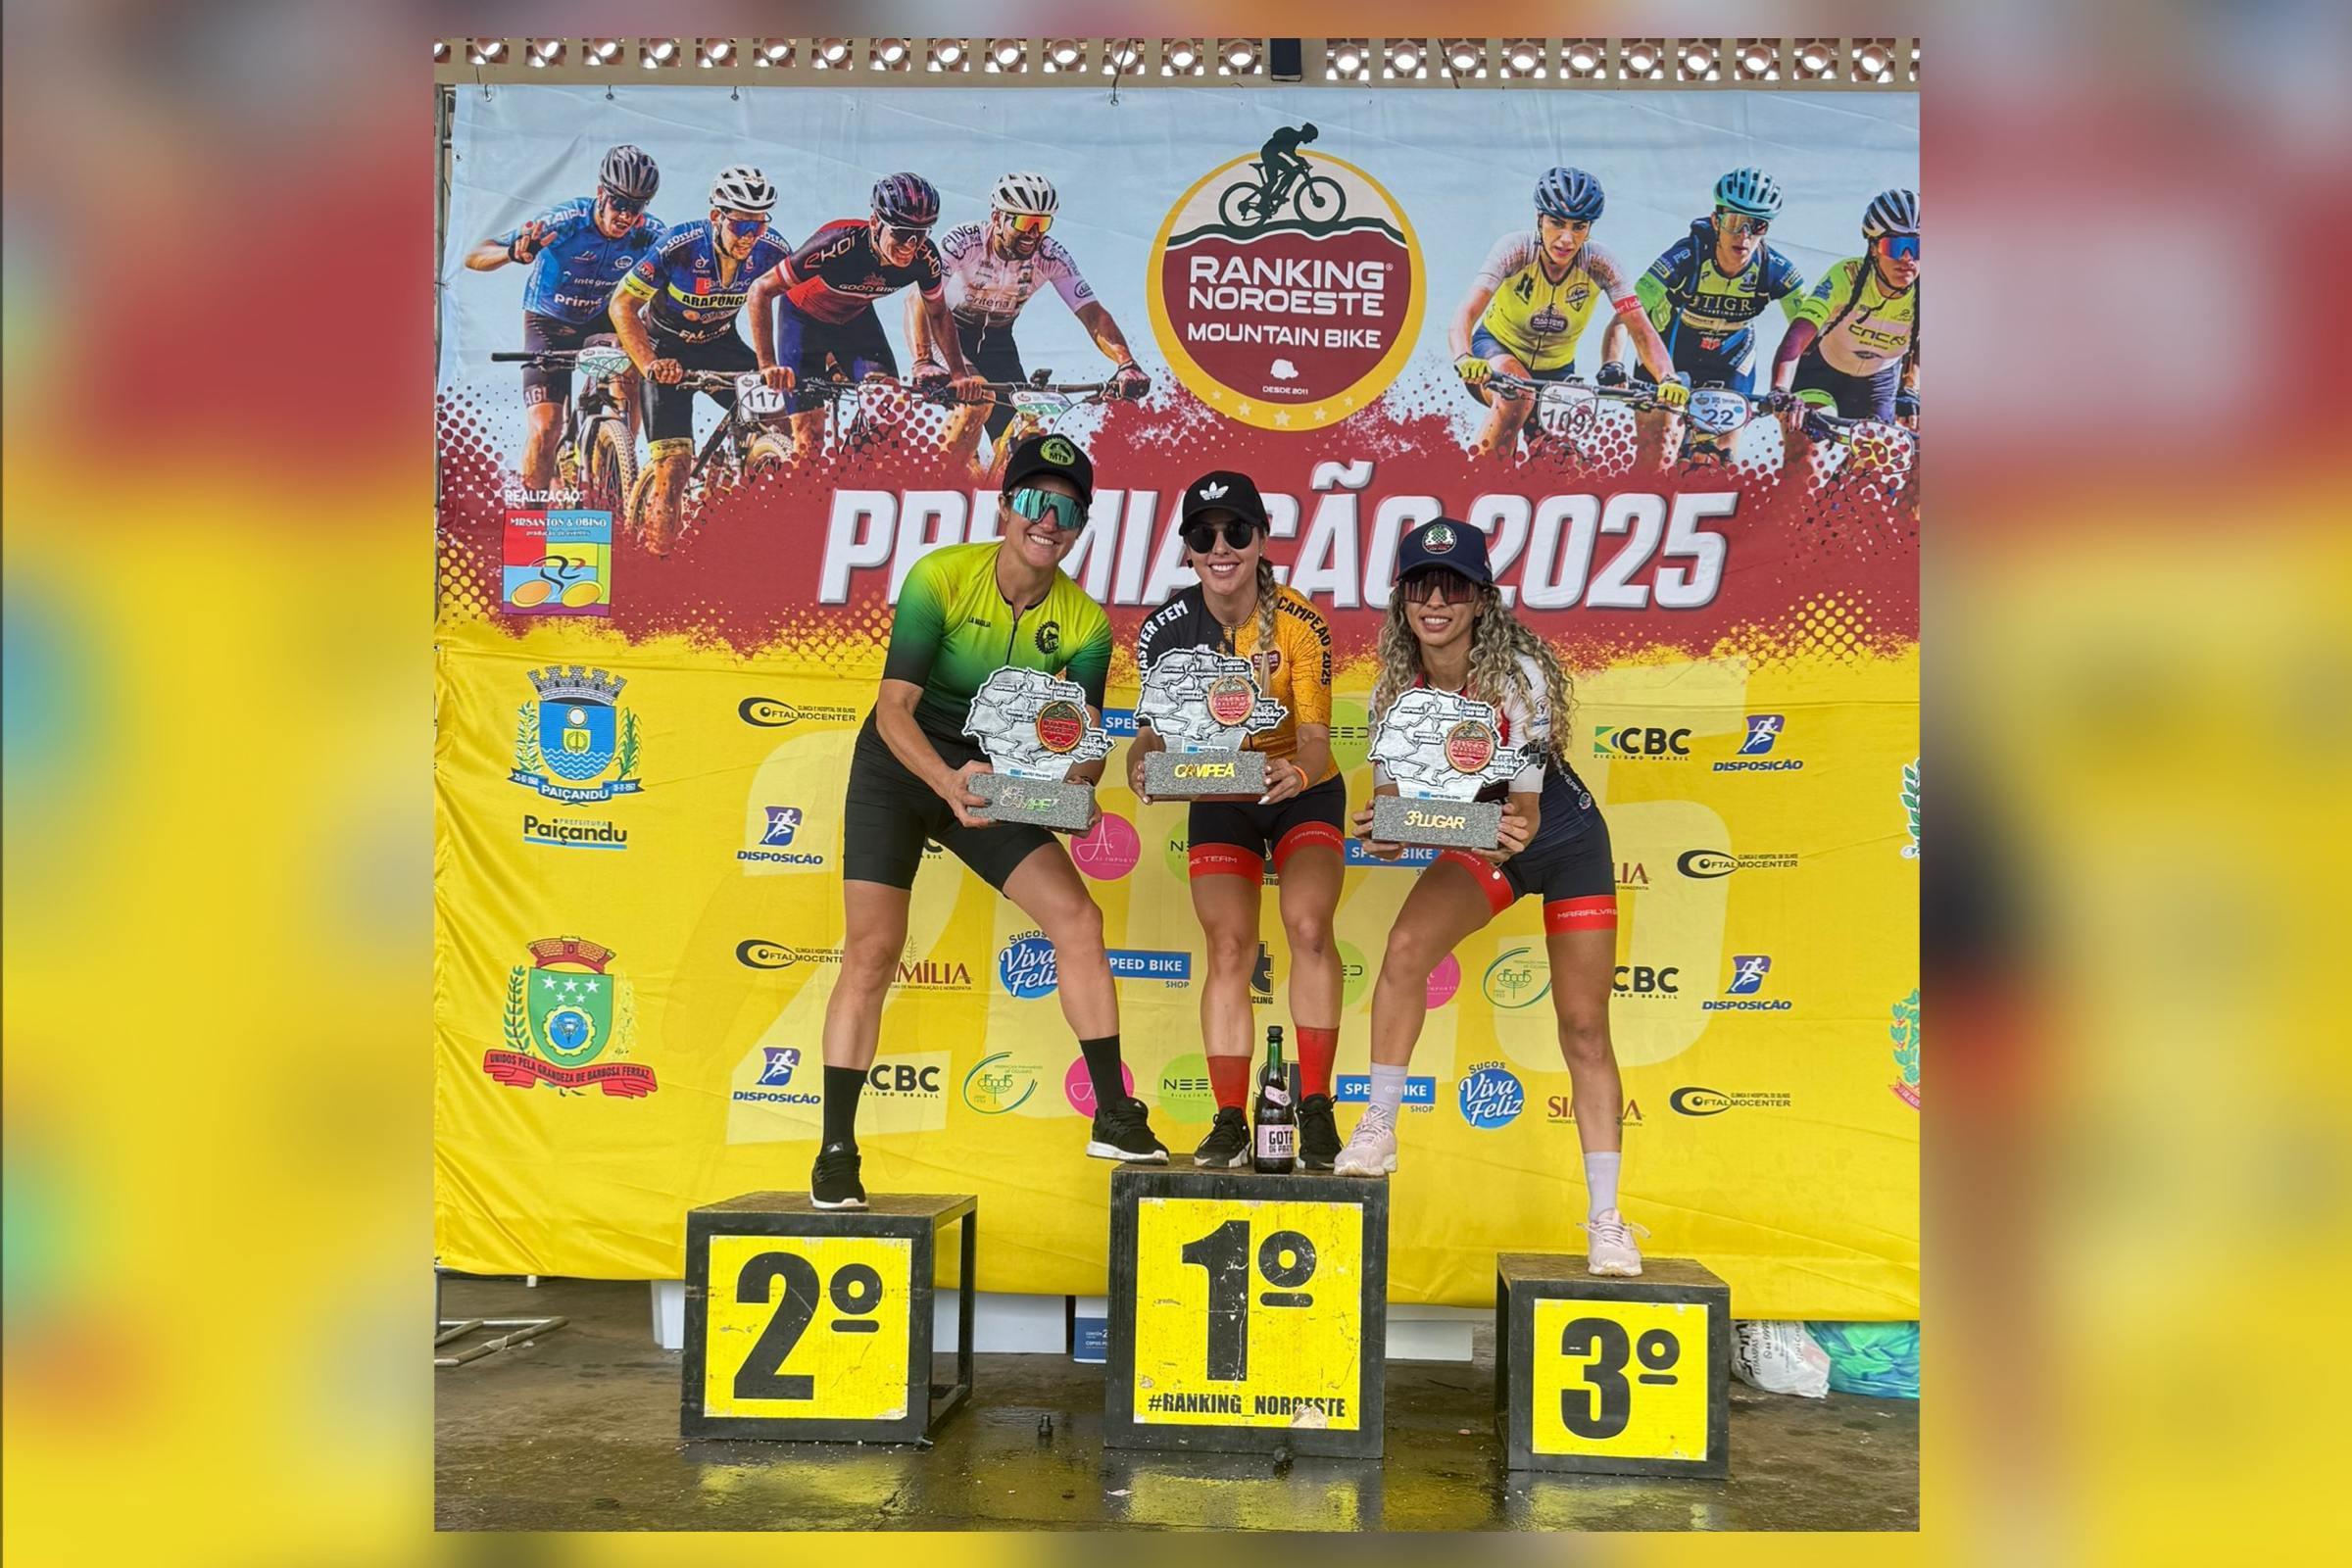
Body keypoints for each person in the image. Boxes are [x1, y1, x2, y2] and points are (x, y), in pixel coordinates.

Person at [812, 434, 1169, 1208]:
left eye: (1068, 510)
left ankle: (1113, 1113)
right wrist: (945, 781)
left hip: (993, 783)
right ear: (1006, 507)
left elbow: (1081, 745)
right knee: (871, 953)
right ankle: (836, 1153)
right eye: (1036, 502)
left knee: (1078, 919)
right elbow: (893, 709)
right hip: (901, 768)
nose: (1050, 522)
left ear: (1081, 526)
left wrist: (1073, 790)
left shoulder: (1086, 623)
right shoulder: (939, 576)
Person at [1339, 519, 1645, 1277]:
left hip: (1561, 840)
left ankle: (1607, 1221)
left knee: (1583, 1028)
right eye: (1421, 585)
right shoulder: (1391, 691)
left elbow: (1523, 819)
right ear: (1402, 598)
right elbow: (1395, 811)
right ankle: (1379, 1127)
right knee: (1404, 950)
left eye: (1454, 587)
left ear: (1481, 600)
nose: (1436, 602)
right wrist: (1384, 832)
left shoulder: (1519, 677)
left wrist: (1419, 825)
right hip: (1484, 836)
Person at [1124, 472, 1345, 1171]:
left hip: (1300, 788)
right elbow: (1150, 734)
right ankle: (1228, 1119)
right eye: (1204, 534)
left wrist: (1297, 774)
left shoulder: (1301, 623)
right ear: (1187, 549)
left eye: (1236, 532)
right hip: (1219, 788)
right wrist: (1141, 764)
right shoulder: (1165, 628)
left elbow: (1316, 742)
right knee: (1227, 947)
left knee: (1309, 928)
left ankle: (1316, 1108)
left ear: (1260, 541)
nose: (1221, 548)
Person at [912, 172, 1152, 483]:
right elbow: (919, 300)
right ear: (997, 218)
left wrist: (1126, 364)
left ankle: (997, 491)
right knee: (977, 402)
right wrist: (923, 361)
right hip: (947, 335)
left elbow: (1092, 314)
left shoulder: (1051, 256)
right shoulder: (965, 242)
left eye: (1043, 223)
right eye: (1026, 222)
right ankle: (933, 486)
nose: (1034, 234)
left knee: (1025, 433)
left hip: (998, 342)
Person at [1447, 167, 1688, 465]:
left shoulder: (1601, 262)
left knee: (1562, 462)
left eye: (1579, 227)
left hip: (1556, 371)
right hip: (1496, 351)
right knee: (1517, 393)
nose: (1566, 240)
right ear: (1539, 218)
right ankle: (1482, 479)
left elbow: (1641, 330)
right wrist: (1464, 357)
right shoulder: (1515, 249)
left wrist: (1668, 378)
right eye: (1556, 223)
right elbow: (1466, 312)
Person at [611, 165, 792, 555]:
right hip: (666, 352)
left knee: (782, 419)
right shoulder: (680, 246)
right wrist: (649, 364)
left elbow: (801, 306)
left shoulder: (772, 249)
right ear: (716, 217)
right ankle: (657, 562)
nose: (750, 237)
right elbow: (622, 305)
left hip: (720, 344)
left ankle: (750, 499)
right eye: (740, 226)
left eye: (758, 226)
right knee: (675, 468)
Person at [464, 145, 664, 492]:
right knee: (545, 430)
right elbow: (474, 256)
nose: (625, 215)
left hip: (602, 323)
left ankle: (617, 465)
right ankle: (534, 511)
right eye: (619, 203)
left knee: (630, 367)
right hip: (549, 324)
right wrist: (512, 253)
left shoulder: (650, 233)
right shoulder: (566, 221)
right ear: (600, 193)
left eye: (636, 207)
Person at [747, 172, 980, 469]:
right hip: (803, 323)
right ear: (875, 223)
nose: (911, 244)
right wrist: (767, 364)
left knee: (888, 410)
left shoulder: (926, 258)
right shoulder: (837, 243)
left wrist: (958, 373)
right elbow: (760, 290)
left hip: (854, 322)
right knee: (809, 444)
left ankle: (850, 473)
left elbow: (938, 313)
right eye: (901, 232)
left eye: (921, 233)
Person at [1598, 167, 1807, 399]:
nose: (1744, 235)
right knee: (1664, 422)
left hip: (1732, 358)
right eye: (1734, 221)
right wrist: (1613, 364)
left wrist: (1790, 391)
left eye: (1757, 225)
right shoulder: (1686, 257)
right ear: (1716, 221)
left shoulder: (1776, 270)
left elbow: (1808, 337)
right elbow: (1625, 317)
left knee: (1731, 420)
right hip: (1671, 351)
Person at [1773, 188, 1920, 436]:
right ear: (1873, 248)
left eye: (1917, 247)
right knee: (1806, 451)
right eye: (1896, 246)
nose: (1907, 258)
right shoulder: (1847, 275)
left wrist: (1910, 389)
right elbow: (1798, 334)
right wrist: (1780, 389)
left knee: (1879, 456)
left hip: (1877, 381)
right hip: (1822, 370)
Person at [1256, 122, 1320, 211]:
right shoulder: (1292, 135)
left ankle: (1270, 197)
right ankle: (1268, 199)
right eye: (1311, 138)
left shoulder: (1296, 139)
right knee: (1275, 180)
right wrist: (1298, 159)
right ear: (1307, 134)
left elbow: (1290, 152)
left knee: (1286, 174)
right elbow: (1287, 150)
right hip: (1269, 154)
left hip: (1271, 154)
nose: (1310, 141)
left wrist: (1299, 159)